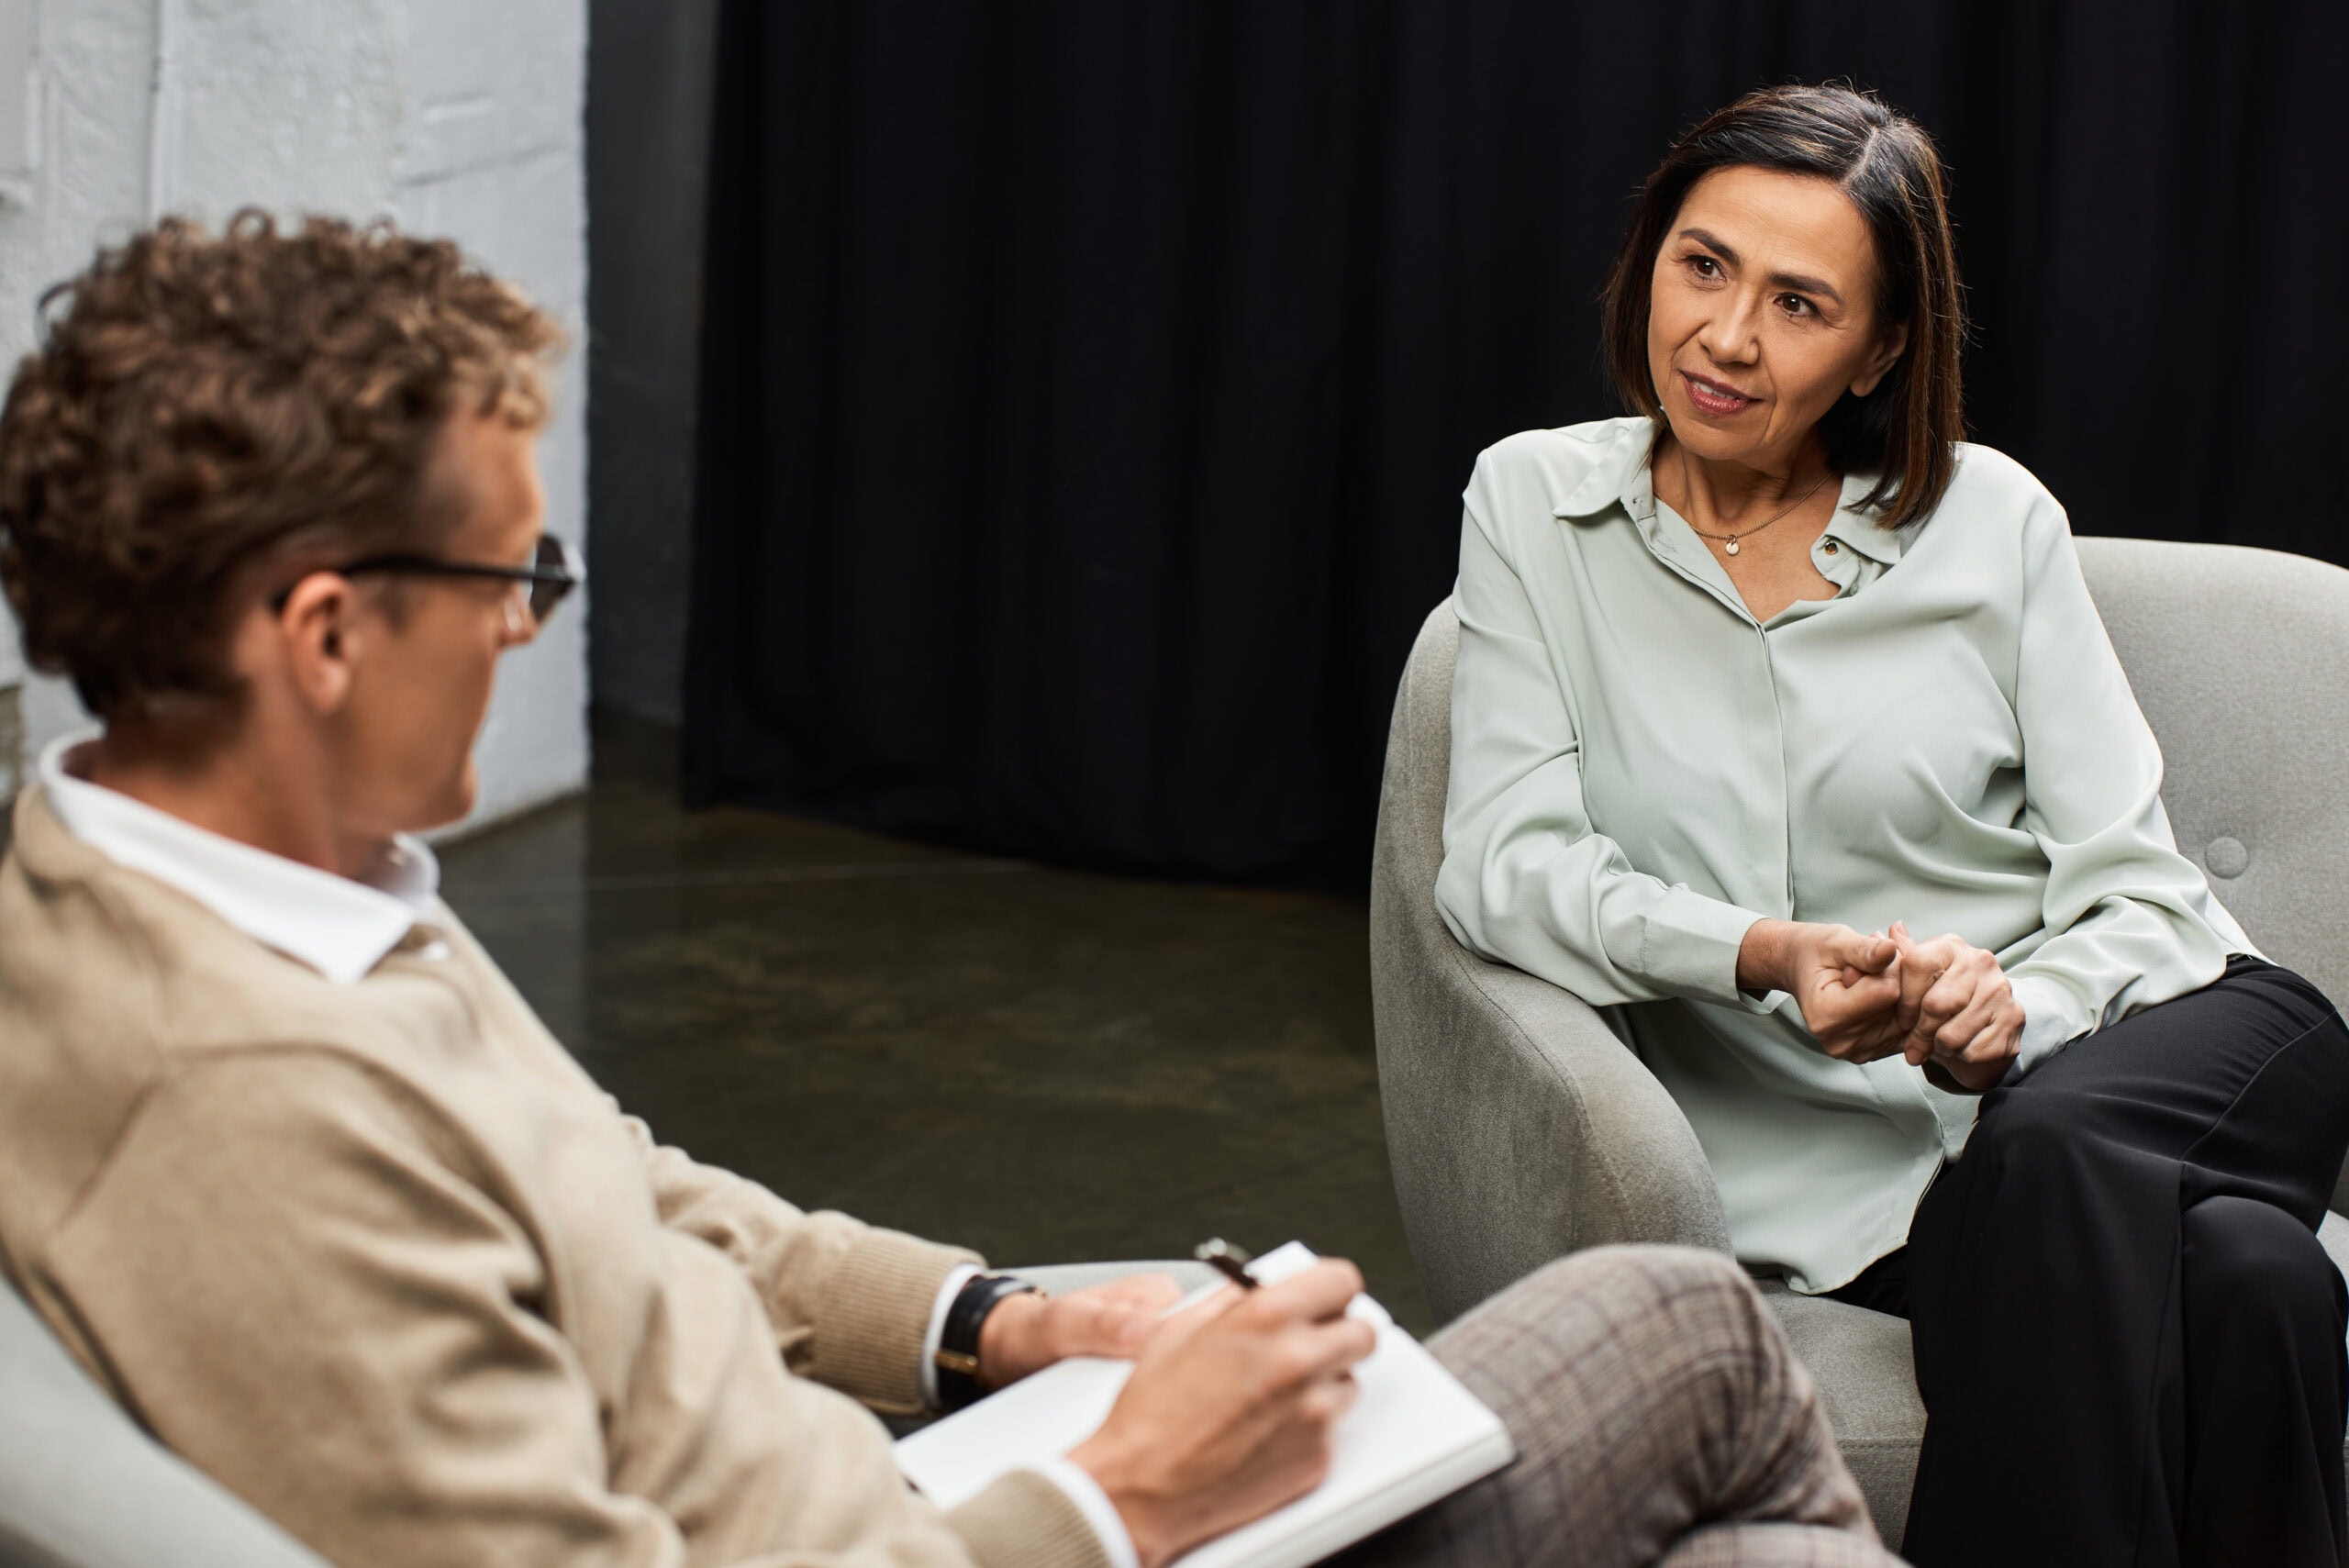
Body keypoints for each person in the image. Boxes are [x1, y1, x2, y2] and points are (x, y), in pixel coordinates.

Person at [0, 213, 1895, 1568]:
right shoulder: (240, 1107)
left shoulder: (263, 892)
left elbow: (619, 1194)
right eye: (513, 578)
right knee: (1697, 1339)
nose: (527, 626)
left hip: (908, 1499)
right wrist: (1128, 1487)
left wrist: (998, 1324)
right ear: (326, 635)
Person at [1436, 81, 2349, 1568]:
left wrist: (2015, 1010)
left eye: (1800, 303)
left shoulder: (1991, 521)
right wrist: (1759, 949)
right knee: (2257, 1274)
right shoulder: (1534, 507)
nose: (1729, 336)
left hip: (2165, 1037)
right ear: (1649, 260)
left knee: (2044, 1144)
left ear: (1881, 348)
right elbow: (1504, 865)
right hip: (1889, 1193)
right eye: (1704, 265)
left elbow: (2144, 893)